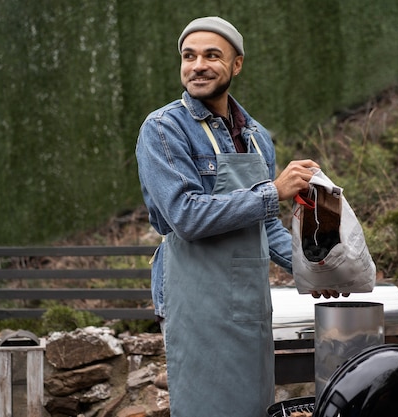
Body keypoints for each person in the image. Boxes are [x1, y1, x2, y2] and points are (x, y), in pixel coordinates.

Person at [136, 16, 345, 417]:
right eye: (188, 55)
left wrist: (317, 271)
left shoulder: (255, 135)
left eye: (212, 55)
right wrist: (273, 191)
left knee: (254, 407)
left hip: (249, 302)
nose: (197, 65)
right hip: (196, 300)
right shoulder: (163, 129)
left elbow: (265, 226)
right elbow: (186, 215)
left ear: (236, 64)